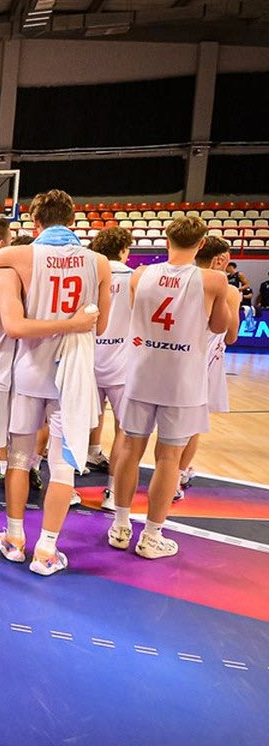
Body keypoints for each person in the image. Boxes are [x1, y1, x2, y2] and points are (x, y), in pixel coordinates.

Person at [0, 189, 111, 576]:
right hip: (71, 375)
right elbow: (102, 326)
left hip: (28, 370)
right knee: (62, 468)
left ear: (36, 223)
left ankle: (14, 538)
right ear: (72, 221)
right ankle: (46, 550)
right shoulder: (99, 262)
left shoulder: (23, 254)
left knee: (20, 461)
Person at [106, 216, 230, 560]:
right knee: (169, 459)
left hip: (142, 370)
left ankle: (119, 527)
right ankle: (151, 536)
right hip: (182, 379)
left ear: (166, 240)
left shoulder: (140, 275)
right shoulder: (214, 279)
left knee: (129, 449)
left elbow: (137, 313)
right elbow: (220, 326)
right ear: (201, 244)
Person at [175, 236, 241, 498]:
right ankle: (177, 475)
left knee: (170, 424)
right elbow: (231, 336)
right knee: (193, 425)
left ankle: (167, 470)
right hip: (204, 360)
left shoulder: (180, 279)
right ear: (220, 259)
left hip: (174, 355)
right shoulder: (228, 289)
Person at [88, 226, 134, 510]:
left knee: (73, 426)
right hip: (121, 363)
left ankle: (68, 489)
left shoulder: (89, 275)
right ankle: (113, 493)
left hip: (88, 359)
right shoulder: (134, 278)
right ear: (124, 250)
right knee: (124, 431)